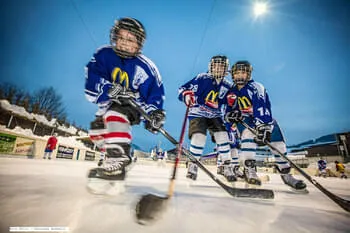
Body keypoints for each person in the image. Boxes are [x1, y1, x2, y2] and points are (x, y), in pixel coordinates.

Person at [84, 17, 165, 187]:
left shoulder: (146, 67)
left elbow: (154, 94)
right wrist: (108, 90)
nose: (124, 43)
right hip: (107, 105)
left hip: (132, 106)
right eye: (121, 38)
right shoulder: (103, 55)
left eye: (130, 40)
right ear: (114, 38)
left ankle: (117, 158)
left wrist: (154, 114)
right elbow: (91, 84)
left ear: (139, 44)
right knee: (96, 132)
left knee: (115, 114)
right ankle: (120, 156)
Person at [224, 60, 307, 190]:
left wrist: (263, 127)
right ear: (232, 75)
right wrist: (230, 115)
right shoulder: (231, 92)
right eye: (237, 73)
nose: (240, 76)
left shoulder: (256, 87)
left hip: (265, 120)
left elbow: (262, 106)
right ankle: (249, 169)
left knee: (279, 145)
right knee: (247, 135)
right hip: (245, 120)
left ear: (249, 74)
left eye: (243, 73)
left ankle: (286, 174)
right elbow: (228, 109)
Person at [178, 55, 236, 181]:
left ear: (226, 69)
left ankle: (226, 165)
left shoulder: (228, 86)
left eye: (221, 66)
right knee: (199, 136)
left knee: (223, 136)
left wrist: (231, 106)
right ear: (211, 67)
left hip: (215, 114)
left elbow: (229, 106)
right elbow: (183, 89)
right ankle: (193, 164)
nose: (218, 68)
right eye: (215, 65)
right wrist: (187, 95)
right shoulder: (202, 78)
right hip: (198, 112)